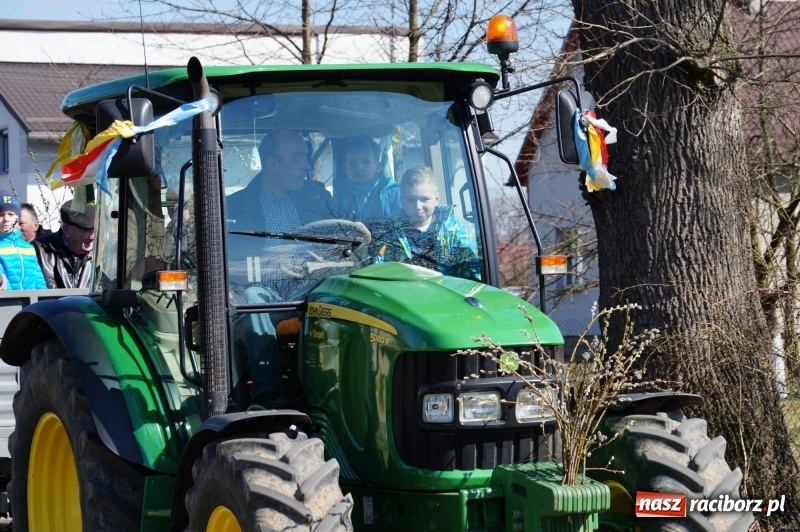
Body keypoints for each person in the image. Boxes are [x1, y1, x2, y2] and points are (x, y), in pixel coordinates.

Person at [226, 129, 333, 410]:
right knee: (252, 300)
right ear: (272, 163)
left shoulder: (317, 198)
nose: (307, 166)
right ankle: (268, 396)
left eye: (306, 157)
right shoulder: (234, 207)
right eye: (298, 158)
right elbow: (228, 265)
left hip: (314, 287)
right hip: (268, 294)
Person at [374, 165, 480, 280]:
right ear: (402, 200)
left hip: (444, 290)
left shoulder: (453, 230)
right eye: (411, 200)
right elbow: (377, 267)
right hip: (401, 290)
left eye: (424, 199)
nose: (418, 206)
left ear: (437, 199)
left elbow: (471, 271)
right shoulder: (389, 232)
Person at [333, 137, 400, 223]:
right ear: (346, 168)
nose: (359, 167)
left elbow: (402, 226)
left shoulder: (393, 193)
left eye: (366, 162)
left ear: (378, 166)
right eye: (353, 163)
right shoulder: (340, 194)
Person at [33, 200, 95, 289]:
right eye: (85, 231)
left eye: (95, 229)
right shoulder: (38, 250)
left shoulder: (104, 255)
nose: (92, 236)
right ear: (66, 230)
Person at [0, 191, 46, 290]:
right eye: (1, 215)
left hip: (32, 299)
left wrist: (43, 297)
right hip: (9, 300)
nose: (6, 219)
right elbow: (3, 284)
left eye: (11, 214)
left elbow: (38, 280)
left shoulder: (28, 248)